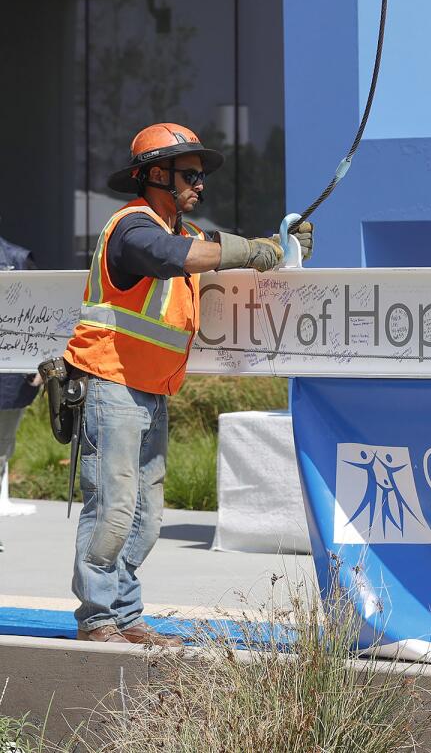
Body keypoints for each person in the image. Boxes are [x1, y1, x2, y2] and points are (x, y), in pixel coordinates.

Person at [60, 123, 314, 645]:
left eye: (201, 176)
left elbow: (218, 254)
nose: (200, 185)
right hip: (111, 383)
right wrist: (252, 249)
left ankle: (126, 618)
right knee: (113, 508)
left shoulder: (187, 235)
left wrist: (279, 244)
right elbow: (175, 258)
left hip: (149, 390)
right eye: (190, 174)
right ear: (156, 174)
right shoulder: (133, 227)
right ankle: (98, 619)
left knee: (146, 518)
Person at [0, 233, 41, 552]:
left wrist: (40, 361)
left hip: (10, 371)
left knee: (2, 444)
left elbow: (38, 312)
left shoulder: (16, 258)